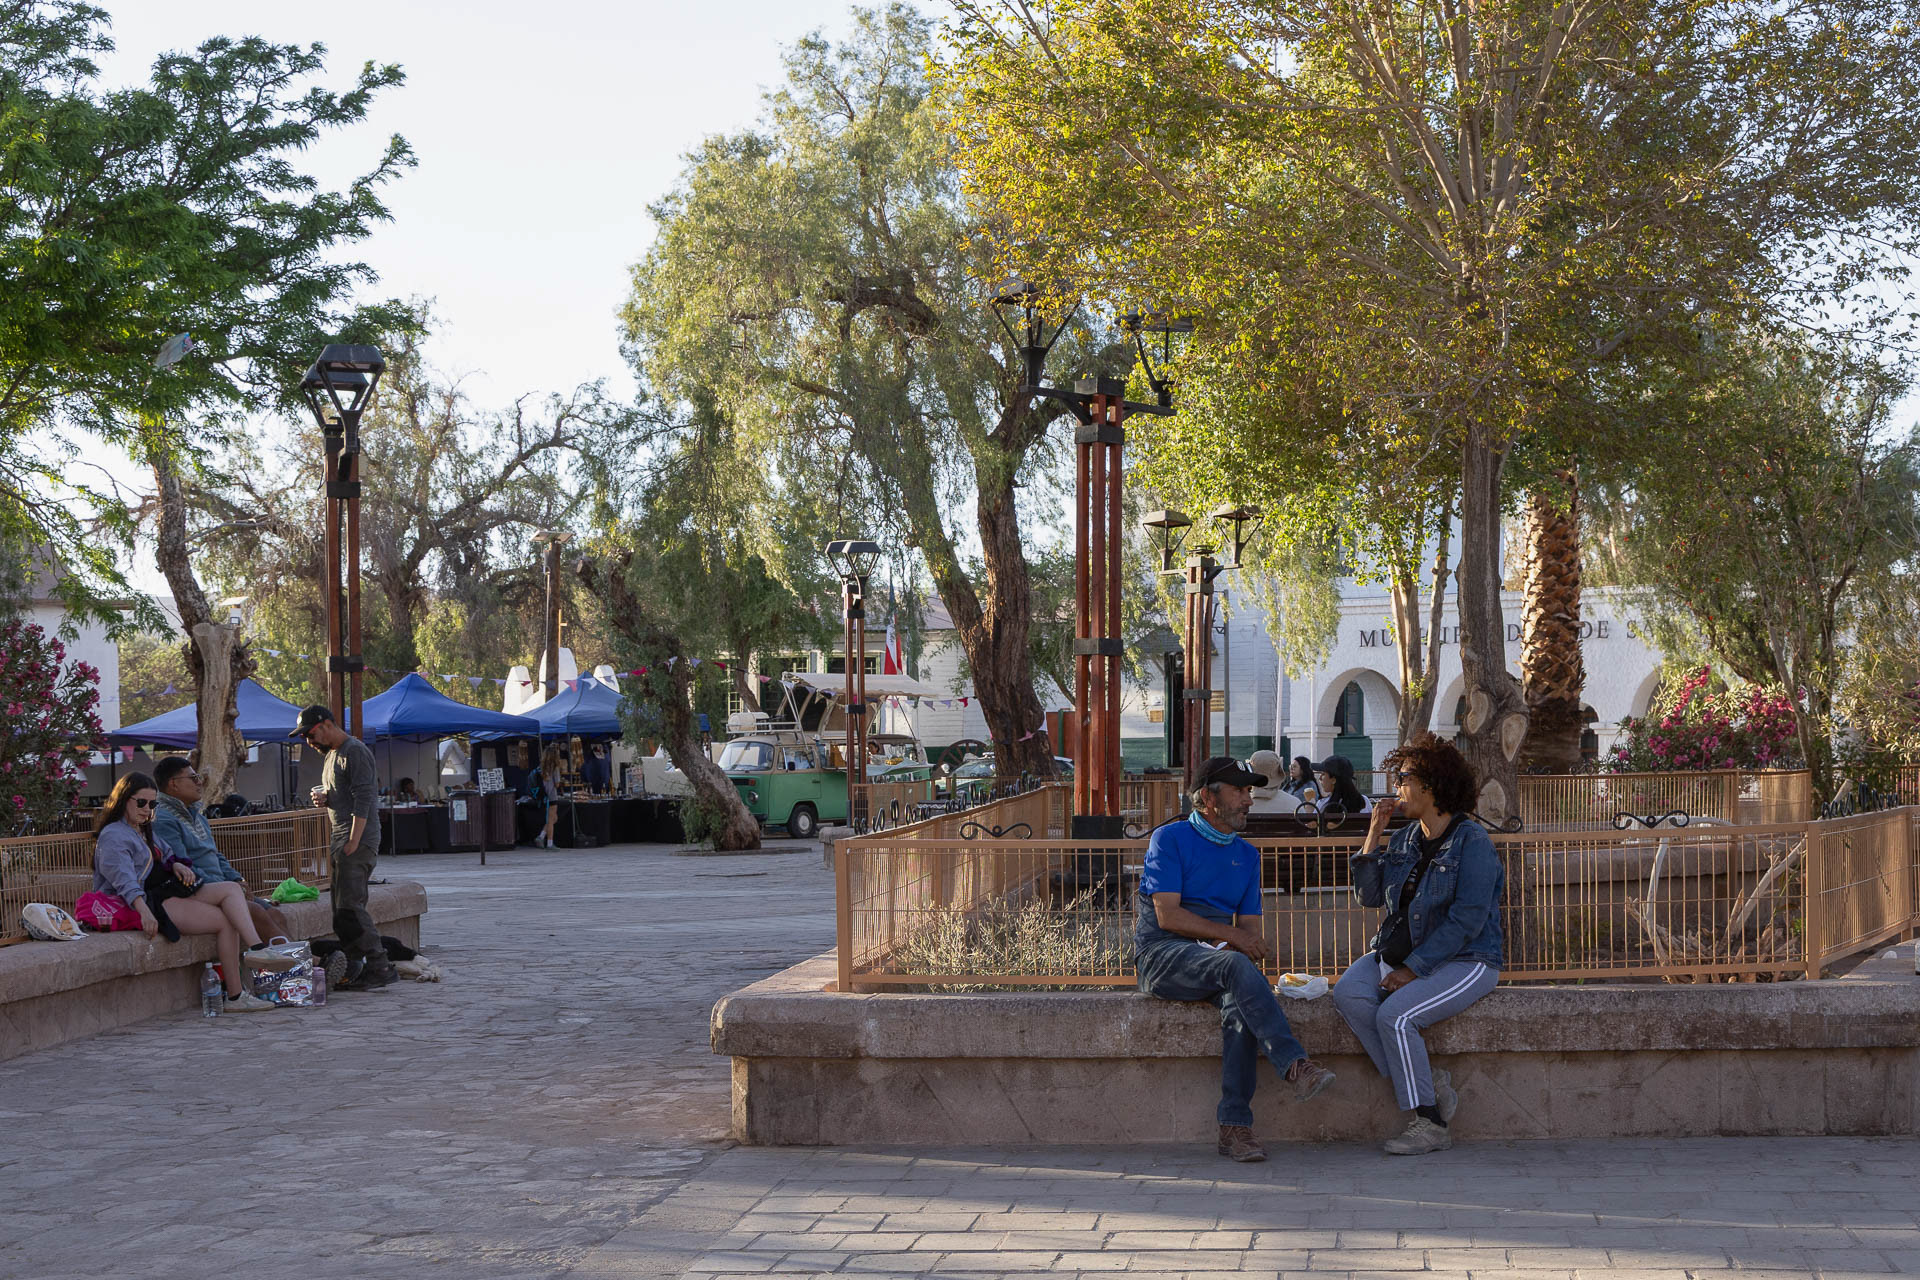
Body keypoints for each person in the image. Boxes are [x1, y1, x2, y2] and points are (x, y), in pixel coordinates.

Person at [1134, 756, 1337, 1163]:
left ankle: (1234, 1128)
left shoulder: (1247, 855)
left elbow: (1250, 932)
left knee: (1240, 1006)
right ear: (1208, 798)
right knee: (1235, 966)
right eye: (1239, 791)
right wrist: (1232, 940)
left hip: (1218, 960)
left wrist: (1240, 943)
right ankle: (1294, 1065)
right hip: (1161, 954)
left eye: (1249, 791)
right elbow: (1168, 916)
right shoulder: (1169, 839)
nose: (1248, 799)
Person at [1332, 733, 1504, 1156]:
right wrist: (1373, 835)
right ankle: (1431, 1084)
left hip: (1467, 959)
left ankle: (1430, 1123)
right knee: (1348, 993)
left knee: (1394, 1016)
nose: (1397, 788)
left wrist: (1414, 970)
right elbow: (1369, 897)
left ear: (1431, 784)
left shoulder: (1472, 843)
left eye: (1403, 779)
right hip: (1401, 951)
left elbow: (1468, 919)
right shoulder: (1406, 838)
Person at [91, 772, 280, 1011]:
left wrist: (176, 865)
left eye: (152, 804)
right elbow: (124, 880)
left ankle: (254, 955)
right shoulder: (114, 835)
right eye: (141, 802)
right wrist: (144, 911)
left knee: (232, 889)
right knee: (225, 920)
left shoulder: (142, 829)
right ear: (123, 800)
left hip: (166, 891)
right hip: (143, 902)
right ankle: (237, 992)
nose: (147, 809)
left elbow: (167, 854)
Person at [294, 704, 397, 988]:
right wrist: (326, 799)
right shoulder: (331, 755)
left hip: (356, 840)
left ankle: (380, 966)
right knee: (340, 912)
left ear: (327, 724)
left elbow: (364, 798)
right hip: (341, 838)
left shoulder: (355, 751)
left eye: (311, 734)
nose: (309, 741)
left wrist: (353, 840)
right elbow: (345, 794)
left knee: (351, 908)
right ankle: (354, 965)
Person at [151, 756, 291, 942]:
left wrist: (236, 879)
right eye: (193, 778)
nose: (199, 782)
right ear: (173, 784)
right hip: (196, 890)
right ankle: (295, 958)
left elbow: (216, 856)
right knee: (256, 911)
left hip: (224, 887)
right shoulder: (163, 819)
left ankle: (297, 957)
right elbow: (183, 867)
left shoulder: (197, 815)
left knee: (276, 914)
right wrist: (227, 888)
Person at [536, 741, 564, 848]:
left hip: (544, 794)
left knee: (554, 818)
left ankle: (541, 836)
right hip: (552, 795)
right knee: (551, 820)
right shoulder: (555, 767)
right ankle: (549, 844)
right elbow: (557, 784)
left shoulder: (542, 766)